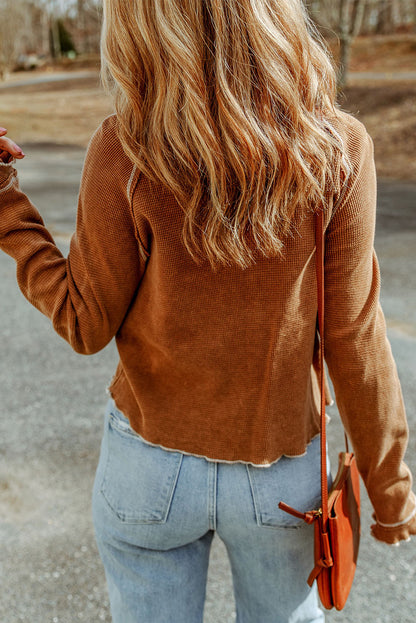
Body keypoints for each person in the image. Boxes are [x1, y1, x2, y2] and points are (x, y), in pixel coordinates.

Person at [1, 1, 415, 621]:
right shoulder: (336, 148)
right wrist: (390, 492)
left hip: (148, 469)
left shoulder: (124, 148)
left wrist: (9, 209)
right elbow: (355, 337)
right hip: (281, 482)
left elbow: (84, 324)